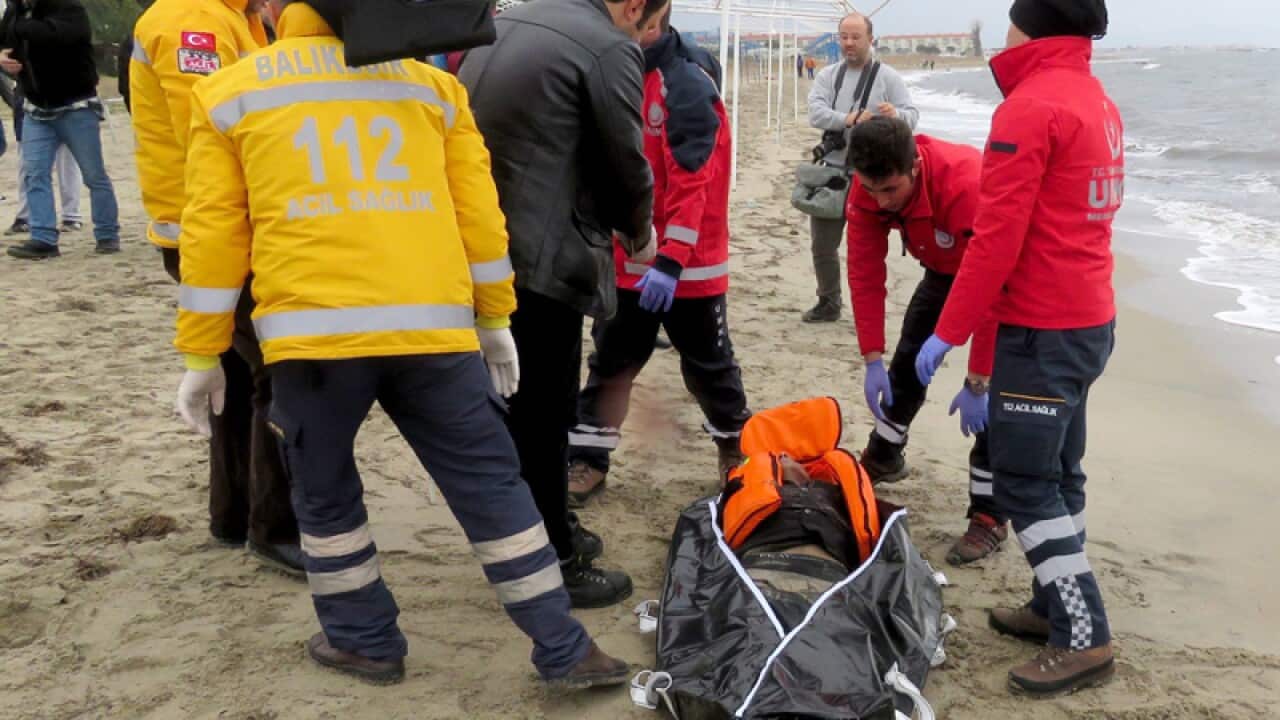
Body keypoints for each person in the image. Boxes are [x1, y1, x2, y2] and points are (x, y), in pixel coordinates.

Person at [172, 0, 632, 688]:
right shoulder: (432, 88)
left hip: (313, 341)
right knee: (491, 485)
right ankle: (566, 648)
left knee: (326, 497)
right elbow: (479, 215)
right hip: (435, 334)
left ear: (276, 9)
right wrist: (495, 319)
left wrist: (202, 353)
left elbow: (213, 237)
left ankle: (365, 641)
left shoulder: (232, 92)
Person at [914, 0, 1120, 696]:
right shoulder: (1095, 98)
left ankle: (1083, 637)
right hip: (1090, 319)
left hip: (1040, 329)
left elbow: (995, 239)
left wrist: (949, 331)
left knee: (1026, 484)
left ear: (1027, 28)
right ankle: (1049, 601)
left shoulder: (1030, 107)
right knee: (1062, 473)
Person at [459, 0, 668, 609]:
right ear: (633, 7)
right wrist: (640, 230)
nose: (641, 35)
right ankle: (550, 556)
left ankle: (536, 527)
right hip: (542, 257)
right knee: (543, 411)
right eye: (644, 23)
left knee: (512, 403)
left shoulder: (508, 21)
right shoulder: (607, 46)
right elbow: (624, 160)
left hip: (480, 241)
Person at [130, 0, 303, 574]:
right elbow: (217, 127)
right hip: (214, 231)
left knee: (235, 379)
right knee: (276, 371)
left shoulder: (239, 18)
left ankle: (234, 515)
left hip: (217, 227)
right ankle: (275, 527)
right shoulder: (192, 21)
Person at [566, 11, 750, 506]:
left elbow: (695, 178)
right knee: (611, 361)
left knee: (710, 366)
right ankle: (588, 458)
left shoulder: (685, 82)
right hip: (628, 257)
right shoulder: (613, 68)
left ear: (647, 17)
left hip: (688, 266)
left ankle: (735, 450)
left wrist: (671, 261)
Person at [843, 116, 1006, 565]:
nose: (878, 201)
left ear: (915, 165)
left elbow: (993, 287)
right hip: (943, 267)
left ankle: (990, 514)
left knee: (999, 395)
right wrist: (871, 355)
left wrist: (978, 380)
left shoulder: (966, 184)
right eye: (869, 190)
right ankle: (884, 455)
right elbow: (864, 273)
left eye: (890, 190)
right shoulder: (866, 192)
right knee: (907, 361)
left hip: (1006, 275)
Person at [802, 12, 917, 323]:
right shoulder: (828, 76)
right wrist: (848, 120)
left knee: (865, 249)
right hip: (832, 171)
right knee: (822, 245)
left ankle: (869, 308)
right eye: (844, 37)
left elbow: (912, 116)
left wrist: (895, 115)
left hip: (871, 178)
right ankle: (828, 301)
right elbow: (815, 113)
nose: (849, 43)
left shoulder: (889, 77)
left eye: (855, 37)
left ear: (870, 39)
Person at [1, 0, 119, 259]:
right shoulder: (16, 12)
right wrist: (3, 57)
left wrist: (19, 25)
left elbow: (55, 35)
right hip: (35, 108)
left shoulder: (70, 9)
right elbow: (6, 42)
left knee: (94, 175)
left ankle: (107, 234)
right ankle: (43, 237)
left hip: (76, 106)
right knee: (35, 175)